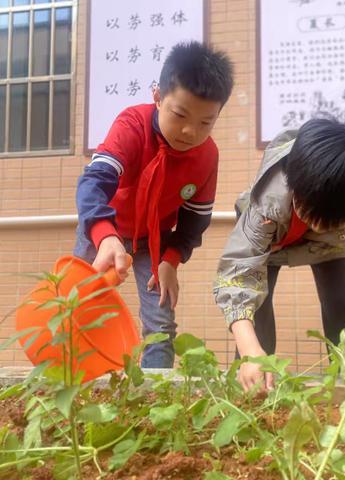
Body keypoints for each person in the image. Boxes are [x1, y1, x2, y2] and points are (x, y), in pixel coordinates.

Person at [74, 41, 234, 368]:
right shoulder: (131, 125)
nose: (190, 131)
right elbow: (94, 182)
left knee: (161, 325)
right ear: (157, 96)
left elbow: (194, 221)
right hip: (104, 230)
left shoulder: (207, 155)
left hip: (154, 241)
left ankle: (155, 403)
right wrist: (104, 235)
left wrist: (172, 260)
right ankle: (74, 385)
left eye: (206, 122)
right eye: (180, 115)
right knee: (78, 308)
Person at [213, 119, 345, 392]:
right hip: (272, 239)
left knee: (342, 299)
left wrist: (314, 241)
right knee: (256, 311)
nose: (316, 226)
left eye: (328, 222)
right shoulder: (268, 203)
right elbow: (237, 273)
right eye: (308, 214)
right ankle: (253, 384)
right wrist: (251, 350)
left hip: (330, 246)